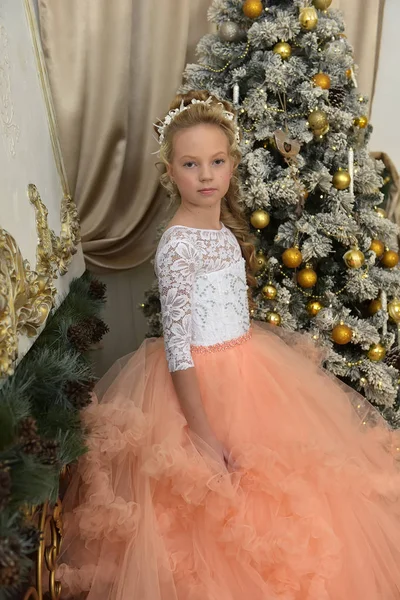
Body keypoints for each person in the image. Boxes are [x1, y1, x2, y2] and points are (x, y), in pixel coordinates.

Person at [57, 90, 400, 600]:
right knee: (219, 519)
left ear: (232, 164)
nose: (206, 175)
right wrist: (200, 432)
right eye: (191, 164)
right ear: (170, 171)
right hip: (202, 388)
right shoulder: (176, 244)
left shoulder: (220, 229)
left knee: (287, 491)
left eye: (217, 162)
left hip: (250, 369)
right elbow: (178, 347)